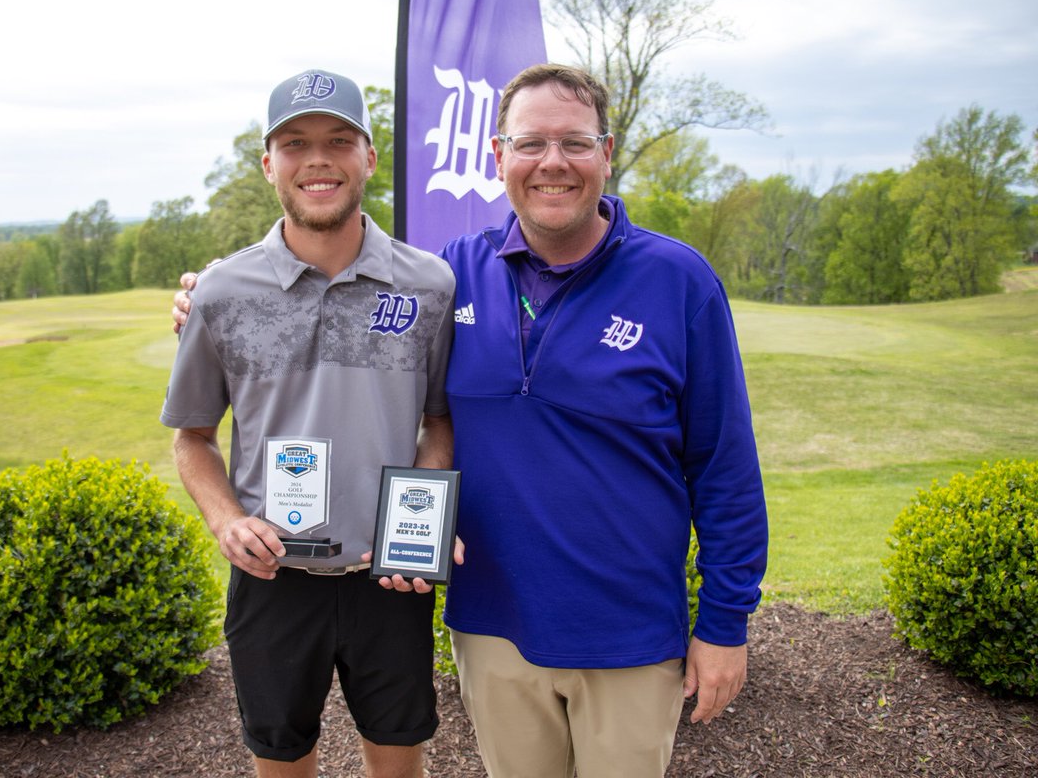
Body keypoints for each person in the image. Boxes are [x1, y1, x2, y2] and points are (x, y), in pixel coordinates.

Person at [175, 64, 768, 778]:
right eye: (530, 143)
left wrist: (725, 623)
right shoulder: (454, 274)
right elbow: (318, 320)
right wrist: (209, 293)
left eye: (575, 143)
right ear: (498, 157)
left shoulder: (676, 281)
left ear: (606, 153)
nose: (552, 162)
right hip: (492, 629)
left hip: (629, 634)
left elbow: (725, 466)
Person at [160, 67, 457, 778]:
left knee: (399, 761)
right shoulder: (223, 293)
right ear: (269, 165)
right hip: (272, 580)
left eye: (338, 139)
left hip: (386, 580)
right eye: (294, 143)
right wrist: (227, 520)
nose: (317, 159)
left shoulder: (428, 284)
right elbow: (192, 437)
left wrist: (417, 526)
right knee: (283, 758)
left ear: (369, 158)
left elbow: (438, 423)